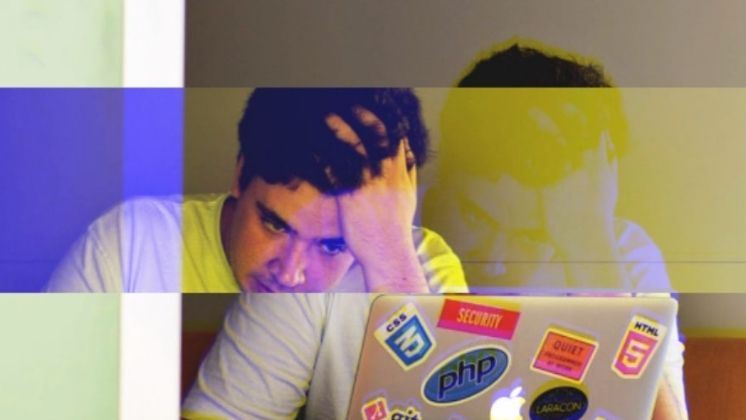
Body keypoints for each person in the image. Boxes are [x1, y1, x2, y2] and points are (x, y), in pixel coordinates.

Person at [182, 62, 689, 420]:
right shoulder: (318, 263)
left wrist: (590, 247)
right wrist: (391, 254)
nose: (539, 179)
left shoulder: (620, 258)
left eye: (572, 159)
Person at [46, 88, 465, 294]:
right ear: (240, 174)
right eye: (273, 224)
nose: (290, 273)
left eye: (335, 246)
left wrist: (391, 259)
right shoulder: (133, 245)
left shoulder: (420, 267)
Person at [421, 40, 671, 294]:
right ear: (442, 175)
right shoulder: (394, 223)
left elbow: (641, 332)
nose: (491, 265)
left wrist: (589, 249)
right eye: (475, 217)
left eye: (532, 238)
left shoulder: (623, 252)